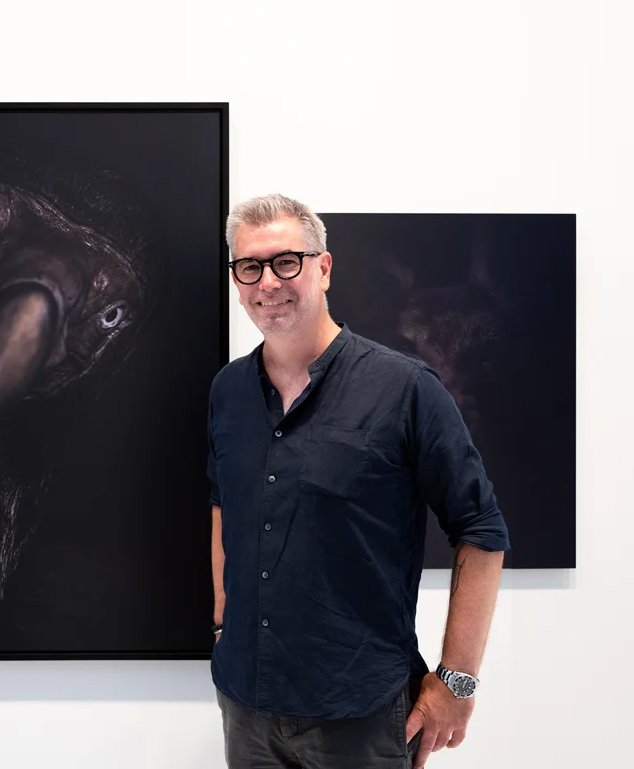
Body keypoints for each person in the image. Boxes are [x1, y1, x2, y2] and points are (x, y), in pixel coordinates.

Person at [207, 193, 510, 769]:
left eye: (285, 262)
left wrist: (458, 682)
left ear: (323, 267)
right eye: (250, 267)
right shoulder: (227, 392)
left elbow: (481, 528)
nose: (267, 282)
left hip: (360, 711)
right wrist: (223, 625)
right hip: (245, 703)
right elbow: (223, 503)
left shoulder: (406, 389)